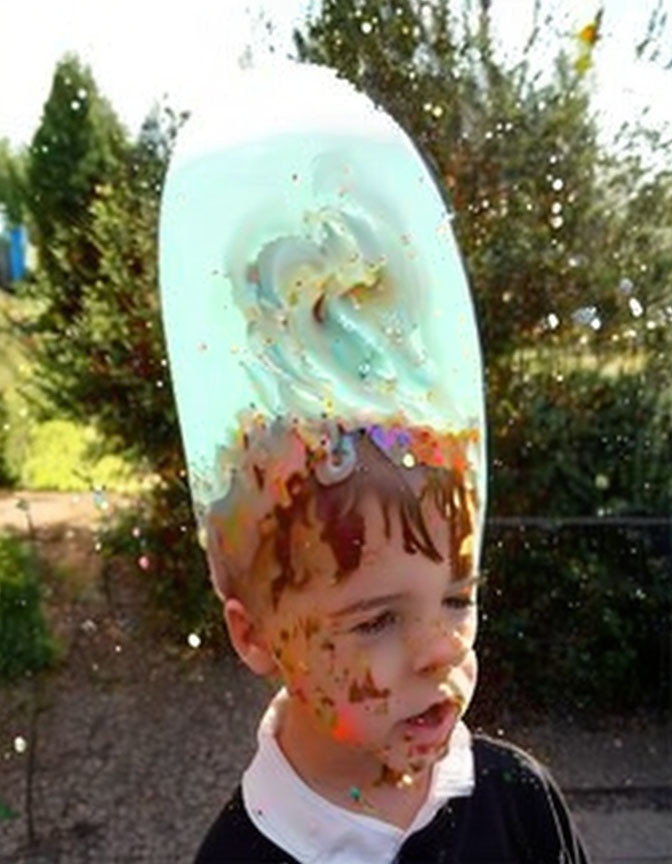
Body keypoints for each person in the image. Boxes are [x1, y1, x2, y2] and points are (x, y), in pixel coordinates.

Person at [158, 61, 591, 863]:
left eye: (458, 598)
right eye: (379, 619)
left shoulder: (522, 805)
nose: (441, 649)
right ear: (256, 639)